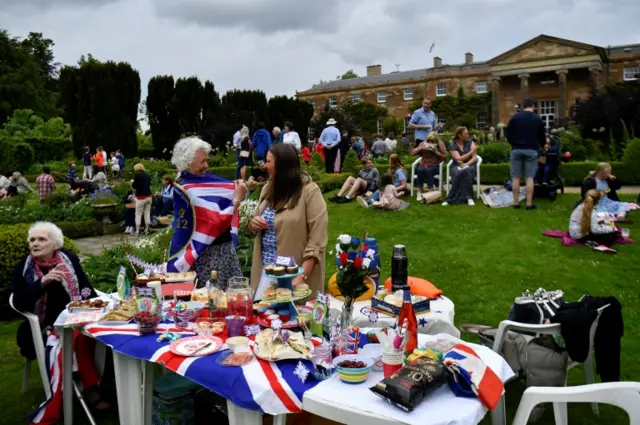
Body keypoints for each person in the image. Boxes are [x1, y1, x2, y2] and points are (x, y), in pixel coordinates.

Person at [12, 222, 111, 413]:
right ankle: (92, 390)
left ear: (55, 244)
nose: (35, 243)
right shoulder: (23, 268)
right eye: (32, 239)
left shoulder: (68, 259)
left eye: (42, 239)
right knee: (76, 338)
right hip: (45, 326)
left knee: (104, 332)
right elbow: (19, 302)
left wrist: (92, 305)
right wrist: (41, 283)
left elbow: (85, 289)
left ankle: (105, 381)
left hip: (76, 317)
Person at [247, 144, 327, 298]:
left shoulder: (309, 192)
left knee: (293, 319)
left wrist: (300, 277)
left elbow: (317, 241)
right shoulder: (268, 189)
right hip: (266, 272)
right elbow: (253, 224)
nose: (264, 166)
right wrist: (253, 224)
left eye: (269, 161)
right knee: (263, 316)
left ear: (282, 166)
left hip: (294, 276)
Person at [169, 137, 247, 288]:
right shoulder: (187, 189)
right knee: (212, 302)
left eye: (207, 160)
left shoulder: (203, 181)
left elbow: (224, 195)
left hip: (225, 250)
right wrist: (237, 199)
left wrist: (237, 189)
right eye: (202, 161)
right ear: (187, 162)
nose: (206, 165)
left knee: (232, 300)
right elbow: (215, 223)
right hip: (206, 255)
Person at [505, 97, 546, 210]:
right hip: (531, 150)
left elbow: (507, 133)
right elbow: (542, 136)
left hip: (516, 149)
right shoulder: (537, 119)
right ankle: (528, 203)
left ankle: (516, 203)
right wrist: (542, 145)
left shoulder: (515, 117)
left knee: (516, 177)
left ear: (522, 107)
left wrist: (513, 143)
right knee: (529, 177)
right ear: (533, 106)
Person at [442, 127, 478, 206]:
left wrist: (466, 164)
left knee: (466, 170)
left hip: (470, 164)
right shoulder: (452, 145)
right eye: (465, 134)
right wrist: (471, 151)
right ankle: (452, 198)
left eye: (467, 133)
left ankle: (468, 198)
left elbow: (474, 158)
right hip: (456, 165)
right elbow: (458, 158)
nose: (468, 135)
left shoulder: (470, 142)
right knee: (458, 172)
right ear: (459, 135)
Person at [412, 131, 447, 200]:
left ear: (436, 140)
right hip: (424, 163)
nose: (431, 142)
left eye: (433, 141)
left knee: (429, 170)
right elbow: (412, 153)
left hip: (435, 165)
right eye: (429, 141)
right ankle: (420, 191)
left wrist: (435, 151)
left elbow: (444, 157)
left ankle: (430, 191)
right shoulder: (423, 143)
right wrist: (420, 148)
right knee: (420, 170)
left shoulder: (440, 144)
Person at [132, 163, 152, 235]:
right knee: (147, 213)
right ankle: (146, 230)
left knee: (138, 214)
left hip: (141, 197)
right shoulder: (147, 175)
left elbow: (134, 185)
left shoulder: (137, 175)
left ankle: (137, 231)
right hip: (149, 197)